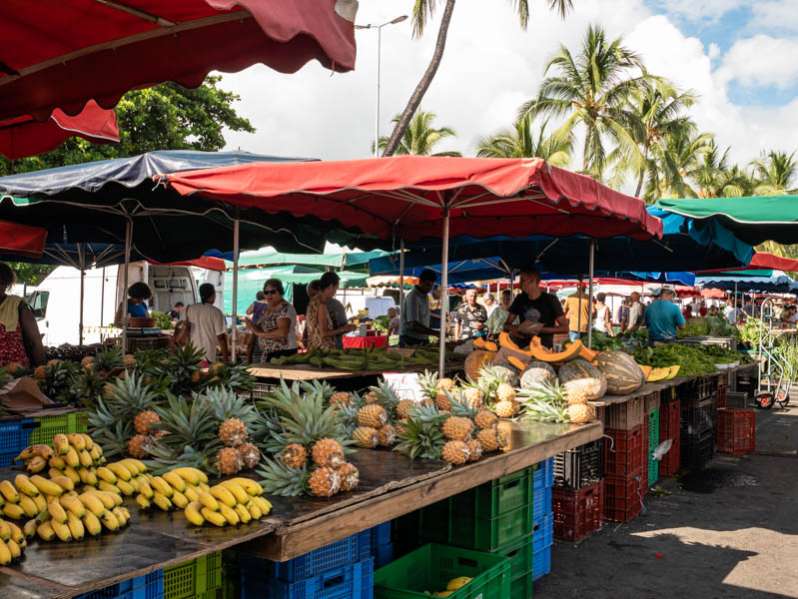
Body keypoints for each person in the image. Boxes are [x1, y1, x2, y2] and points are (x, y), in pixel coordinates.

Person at [505, 267, 568, 349]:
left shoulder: (550, 299)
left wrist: (539, 329)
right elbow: (506, 325)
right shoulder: (520, 298)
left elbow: (565, 328)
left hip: (543, 348)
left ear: (534, 280)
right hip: (522, 347)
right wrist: (517, 329)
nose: (520, 284)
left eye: (523, 280)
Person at [0, 264, 45, 368]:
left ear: (7, 285)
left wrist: (42, 368)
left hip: (16, 373)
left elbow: (35, 341)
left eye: (2, 282)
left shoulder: (18, 305)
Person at [246, 279, 297, 362]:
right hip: (268, 353)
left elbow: (282, 332)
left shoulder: (285, 308)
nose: (269, 295)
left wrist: (259, 333)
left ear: (280, 292)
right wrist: (252, 326)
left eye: (273, 292)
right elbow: (261, 327)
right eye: (266, 292)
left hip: (283, 354)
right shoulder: (267, 308)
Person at [306, 272, 355, 351]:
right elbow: (324, 333)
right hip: (323, 350)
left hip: (314, 348)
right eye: (336, 288)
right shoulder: (321, 305)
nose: (335, 292)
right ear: (331, 286)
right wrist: (343, 329)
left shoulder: (313, 301)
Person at [185, 283, 229, 363]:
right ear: (213, 295)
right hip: (208, 356)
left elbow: (187, 331)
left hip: (193, 354)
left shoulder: (191, 309)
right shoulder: (216, 312)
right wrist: (226, 359)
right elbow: (221, 338)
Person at [400, 269, 439, 347]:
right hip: (410, 339)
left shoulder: (425, 296)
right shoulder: (413, 297)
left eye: (431, 286)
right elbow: (413, 324)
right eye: (428, 285)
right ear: (421, 282)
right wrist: (435, 333)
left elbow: (423, 315)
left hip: (422, 338)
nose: (429, 288)